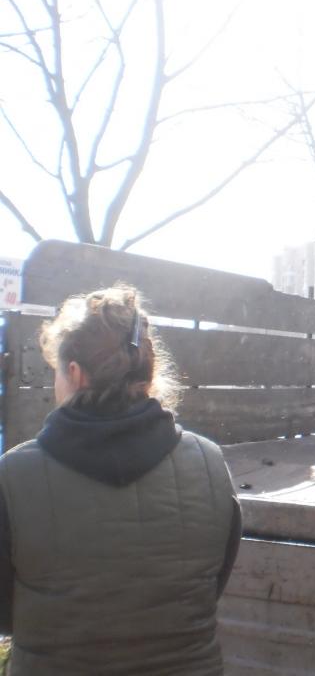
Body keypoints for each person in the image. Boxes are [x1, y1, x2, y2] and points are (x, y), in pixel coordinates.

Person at [0, 285, 241, 675]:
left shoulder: (13, 476)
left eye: (56, 371)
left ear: (75, 374)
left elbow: (5, 615)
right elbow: (209, 588)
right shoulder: (210, 464)